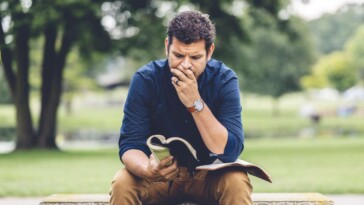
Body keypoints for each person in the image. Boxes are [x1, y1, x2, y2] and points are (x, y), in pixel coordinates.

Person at [110, 10, 252, 205]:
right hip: (159, 177)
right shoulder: (146, 79)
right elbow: (130, 145)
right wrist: (147, 170)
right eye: (178, 55)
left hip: (208, 177)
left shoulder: (224, 79)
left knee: (237, 180)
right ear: (167, 46)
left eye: (195, 57)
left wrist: (195, 102)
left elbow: (229, 150)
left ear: (209, 52)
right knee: (122, 182)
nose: (185, 65)